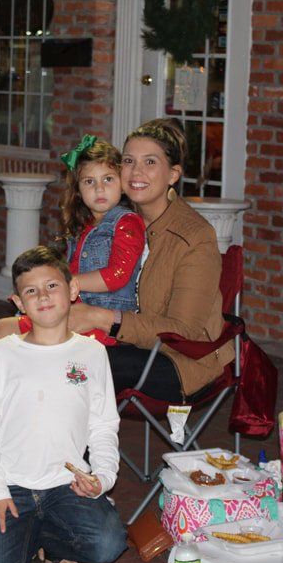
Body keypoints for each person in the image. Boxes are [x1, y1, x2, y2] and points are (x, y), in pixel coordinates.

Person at [0, 246, 126, 563]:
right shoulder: (2, 354)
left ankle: (47, 542)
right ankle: (28, 537)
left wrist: (101, 478)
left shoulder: (92, 353)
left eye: (52, 286)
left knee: (108, 544)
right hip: (11, 487)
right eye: (31, 291)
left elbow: (102, 425)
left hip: (65, 484)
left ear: (72, 291)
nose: (43, 296)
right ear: (18, 303)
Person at [66, 118, 233, 402]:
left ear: (173, 174)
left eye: (150, 162)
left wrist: (101, 318)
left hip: (182, 361)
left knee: (73, 371)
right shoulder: (112, 220)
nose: (136, 171)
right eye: (129, 161)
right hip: (122, 343)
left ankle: (78, 447)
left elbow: (185, 332)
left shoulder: (195, 236)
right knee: (34, 352)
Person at [0, 135, 144, 345]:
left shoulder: (127, 222)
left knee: (19, 335)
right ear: (78, 191)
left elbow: (116, 276)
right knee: (2, 328)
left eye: (108, 179)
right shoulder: (85, 226)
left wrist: (65, 283)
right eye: (89, 181)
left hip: (102, 323)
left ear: (123, 184)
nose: (99, 189)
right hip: (74, 311)